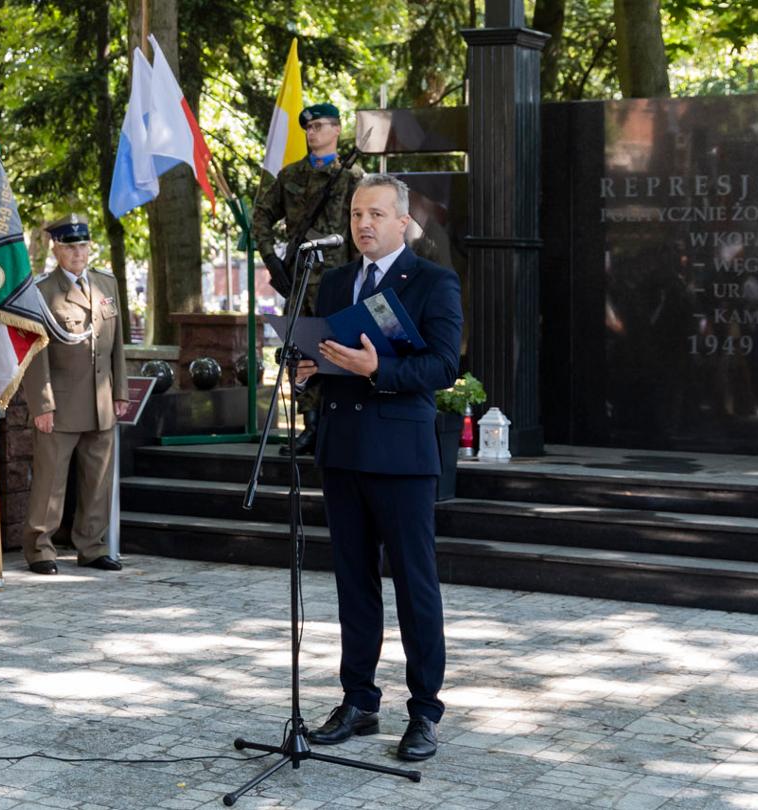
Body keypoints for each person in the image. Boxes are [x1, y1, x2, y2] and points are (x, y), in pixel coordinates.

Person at [301, 174, 461, 762]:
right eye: (354, 214)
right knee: (353, 585)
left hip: (401, 457)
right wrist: (308, 367)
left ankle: (424, 712)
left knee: (415, 586)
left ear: (401, 222)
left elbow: (443, 366)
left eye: (375, 214)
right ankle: (359, 701)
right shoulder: (337, 281)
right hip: (342, 452)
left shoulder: (433, 281)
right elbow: (324, 350)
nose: (362, 224)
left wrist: (377, 370)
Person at [252, 103, 362, 456]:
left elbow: (363, 230)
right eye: (308, 128)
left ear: (336, 130)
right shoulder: (290, 176)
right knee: (300, 350)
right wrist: (271, 260)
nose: (311, 133)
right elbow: (261, 217)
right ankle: (310, 425)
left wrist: (360, 276)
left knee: (340, 349)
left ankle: (339, 424)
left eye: (318, 126)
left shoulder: (352, 178)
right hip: (298, 280)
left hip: (338, 281)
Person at [20, 214, 126, 575]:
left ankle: (93, 546)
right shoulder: (42, 292)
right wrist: (42, 404)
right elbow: (36, 355)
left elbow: (117, 347)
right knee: (51, 480)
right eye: (70, 246)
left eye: (82, 245)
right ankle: (40, 549)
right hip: (61, 402)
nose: (78, 252)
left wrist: (120, 392)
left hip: (101, 401)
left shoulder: (106, 285)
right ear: (56, 249)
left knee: (98, 480)